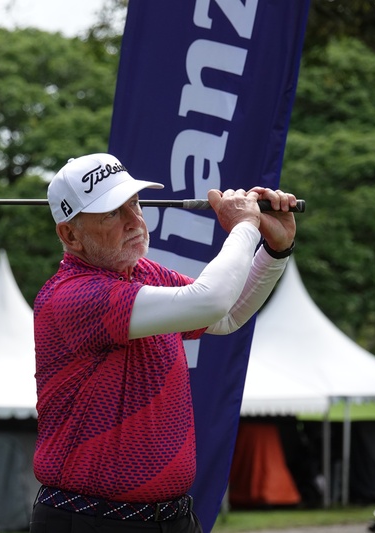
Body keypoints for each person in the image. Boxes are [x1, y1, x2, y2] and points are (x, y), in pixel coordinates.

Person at [30, 153, 297, 533]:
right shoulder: (72, 295)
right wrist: (245, 227)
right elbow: (210, 301)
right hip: (89, 521)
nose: (134, 221)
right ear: (70, 235)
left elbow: (226, 315)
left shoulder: (143, 273)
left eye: (135, 204)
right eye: (112, 213)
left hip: (171, 518)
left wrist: (275, 250)